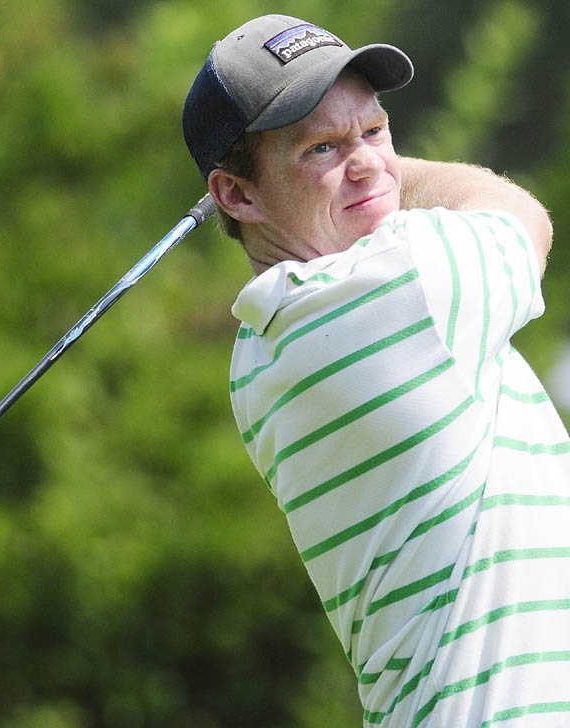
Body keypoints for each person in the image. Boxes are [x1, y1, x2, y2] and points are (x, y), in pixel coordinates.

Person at [183, 14, 569, 728]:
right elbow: (522, 216)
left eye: (374, 130)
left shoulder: (263, 347)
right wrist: (392, 170)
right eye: (320, 147)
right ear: (235, 194)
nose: (364, 163)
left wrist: (356, 165)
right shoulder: (397, 290)